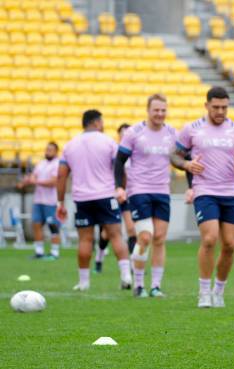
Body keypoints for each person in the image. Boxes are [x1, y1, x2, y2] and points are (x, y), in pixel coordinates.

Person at [174, 86, 234, 308]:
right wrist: (185, 164)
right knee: (209, 239)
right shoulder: (192, 129)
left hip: (230, 192)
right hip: (205, 191)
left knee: (229, 244)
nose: (221, 111)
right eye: (216, 107)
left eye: (224, 107)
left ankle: (218, 290)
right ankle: (203, 292)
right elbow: (174, 155)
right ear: (207, 106)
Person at [56, 110, 132, 291]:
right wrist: (122, 189)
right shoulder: (108, 142)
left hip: (82, 199)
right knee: (115, 235)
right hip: (106, 195)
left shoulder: (70, 145)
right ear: (97, 122)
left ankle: (84, 282)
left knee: (85, 240)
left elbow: (61, 176)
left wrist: (60, 203)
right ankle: (126, 276)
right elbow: (120, 168)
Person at [114, 94, 180, 298]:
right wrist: (119, 187)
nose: (160, 114)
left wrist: (191, 185)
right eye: (156, 110)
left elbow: (182, 159)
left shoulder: (172, 133)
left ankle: (155, 286)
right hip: (139, 190)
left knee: (159, 238)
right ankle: (139, 285)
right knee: (145, 236)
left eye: (163, 110)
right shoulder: (134, 132)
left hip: (162, 190)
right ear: (148, 110)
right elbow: (119, 160)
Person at [95, 123, 137, 275]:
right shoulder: (114, 152)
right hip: (114, 194)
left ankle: (133, 264)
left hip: (129, 194)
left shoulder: (135, 153)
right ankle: (99, 258)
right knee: (107, 233)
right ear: (119, 135)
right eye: (123, 133)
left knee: (132, 229)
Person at [17, 142, 61, 259]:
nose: (47, 152)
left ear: (56, 152)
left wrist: (35, 181)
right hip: (39, 200)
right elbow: (33, 176)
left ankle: (54, 252)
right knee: (36, 225)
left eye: (50, 150)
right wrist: (24, 182)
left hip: (51, 201)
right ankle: (39, 252)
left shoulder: (57, 164)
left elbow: (53, 182)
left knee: (53, 226)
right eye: (47, 149)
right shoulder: (41, 164)